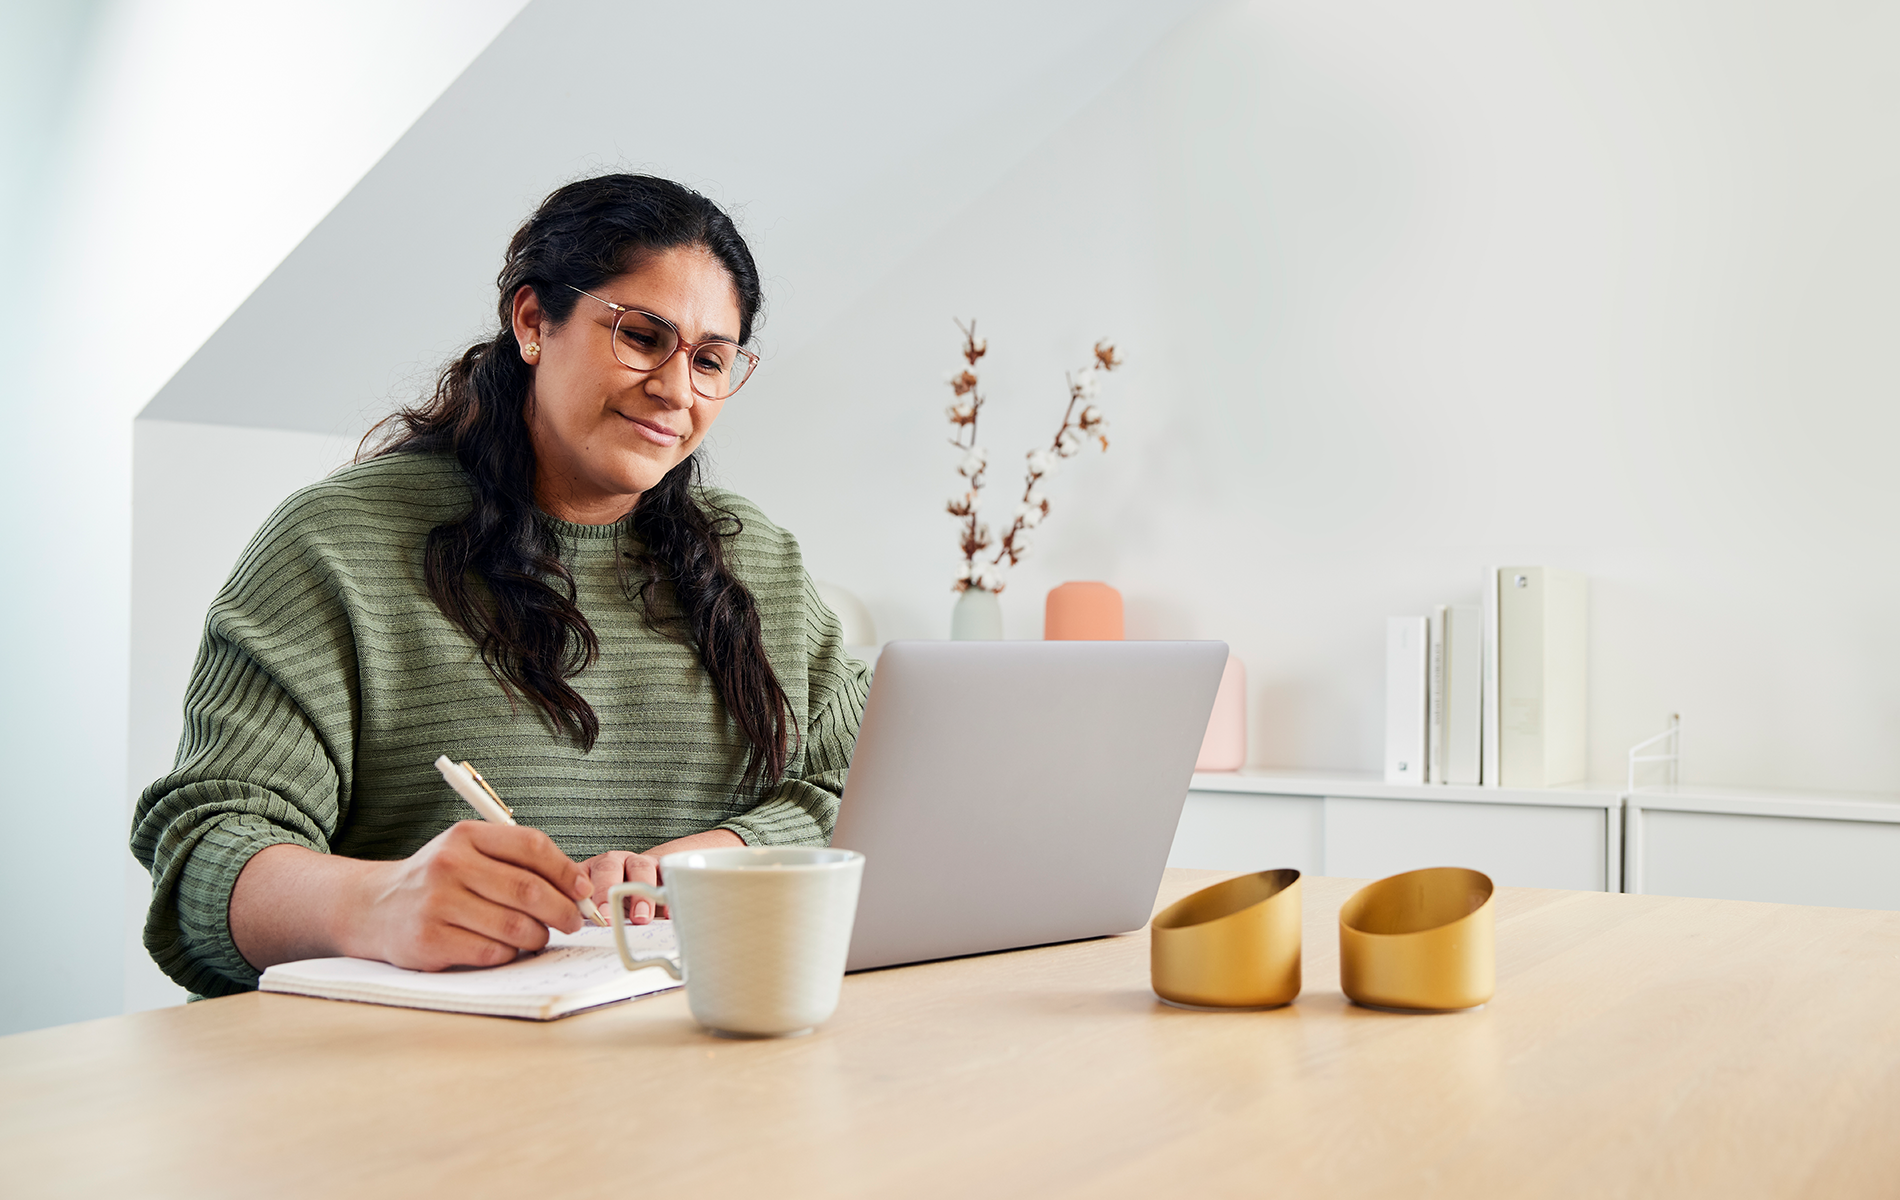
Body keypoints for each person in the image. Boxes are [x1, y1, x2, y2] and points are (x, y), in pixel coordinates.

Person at [131, 174, 869, 998]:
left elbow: (866, 791)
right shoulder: (335, 546)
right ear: (531, 322)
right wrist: (373, 903)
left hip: (692, 1067)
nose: (675, 389)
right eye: (641, 336)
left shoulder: (761, 562)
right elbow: (204, 853)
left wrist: (708, 864)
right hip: (397, 1083)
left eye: (709, 360)